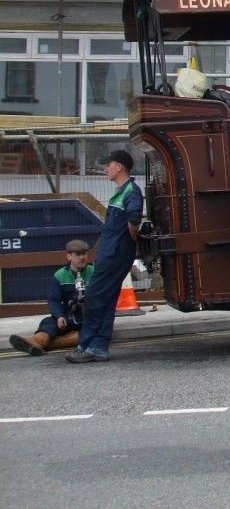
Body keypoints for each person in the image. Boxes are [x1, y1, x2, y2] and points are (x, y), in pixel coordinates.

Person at [67, 150, 143, 363]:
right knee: (105, 299)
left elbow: (134, 220)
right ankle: (97, 346)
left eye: (108, 165)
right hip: (112, 252)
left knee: (95, 298)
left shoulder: (130, 191)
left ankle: (89, 344)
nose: (105, 169)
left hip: (115, 254)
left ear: (119, 167)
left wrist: (127, 241)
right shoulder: (123, 191)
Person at [9, 239, 94, 356]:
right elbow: (54, 300)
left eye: (84, 253)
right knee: (48, 323)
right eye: (78, 254)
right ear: (69, 256)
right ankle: (38, 340)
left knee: (89, 334)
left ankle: (44, 345)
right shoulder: (59, 275)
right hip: (67, 316)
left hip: (87, 317)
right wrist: (59, 316)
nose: (82, 257)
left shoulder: (94, 272)